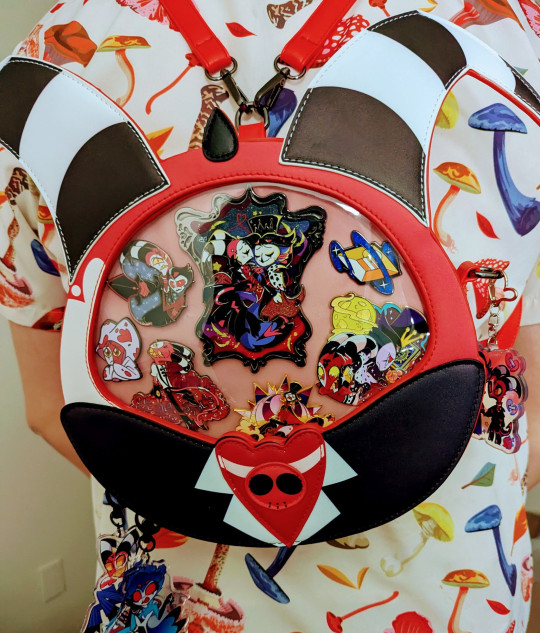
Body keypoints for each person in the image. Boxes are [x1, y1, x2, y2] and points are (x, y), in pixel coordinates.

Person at [1, 0, 540, 631]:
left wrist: (199, 495)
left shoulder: (60, 49)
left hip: (173, 598)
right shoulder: (504, 27)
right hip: (445, 589)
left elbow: (50, 407)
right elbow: (526, 381)